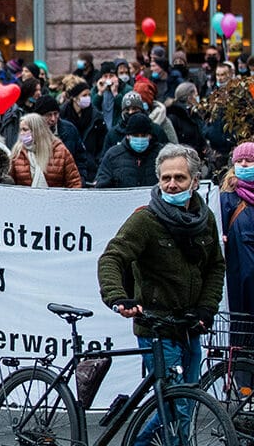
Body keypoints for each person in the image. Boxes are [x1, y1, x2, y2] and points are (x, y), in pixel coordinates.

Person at [98, 144, 224, 445]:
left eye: (179, 178)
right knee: (176, 407)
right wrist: (117, 297)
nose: (171, 184)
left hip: (190, 326)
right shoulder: (146, 220)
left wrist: (207, 308)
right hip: (156, 327)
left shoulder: (204, 219)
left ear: (194, 181)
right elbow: (112, 257)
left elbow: (215, 267)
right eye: (165, 177)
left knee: (186, 403)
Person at [221, 142, 254, 317]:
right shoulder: (227, 198)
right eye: (239, 160)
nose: (243, 164)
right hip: (238, 272)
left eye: (249, 160)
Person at [9, 113, 82, 188]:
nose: (21, 133)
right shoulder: (17, 152)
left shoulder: (59, 151)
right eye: (20, 129)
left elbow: (74, 182)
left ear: (36, 130)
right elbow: (10, 182)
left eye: (25, 129)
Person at [94, 113, 164, 189]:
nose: (139, 139)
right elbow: (102, 186)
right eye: (135, 135)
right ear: (127, 136)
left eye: (144, 135)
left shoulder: (161, 155)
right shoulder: (113, 155)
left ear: (150, 136)